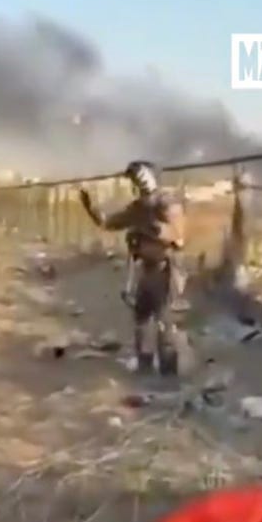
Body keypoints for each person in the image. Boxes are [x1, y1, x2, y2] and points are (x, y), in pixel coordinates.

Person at [79, 160, 188, 374]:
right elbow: (107, 222)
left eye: (138, 180)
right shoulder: (138, 208)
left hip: (166, 270)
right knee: (142, 319)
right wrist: (89, 206)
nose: (136, 185)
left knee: (164, 321)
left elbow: (178, 237)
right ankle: (144, 367)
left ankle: (168, 373)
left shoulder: (167, 204)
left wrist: (146, 227)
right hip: (147, 269)